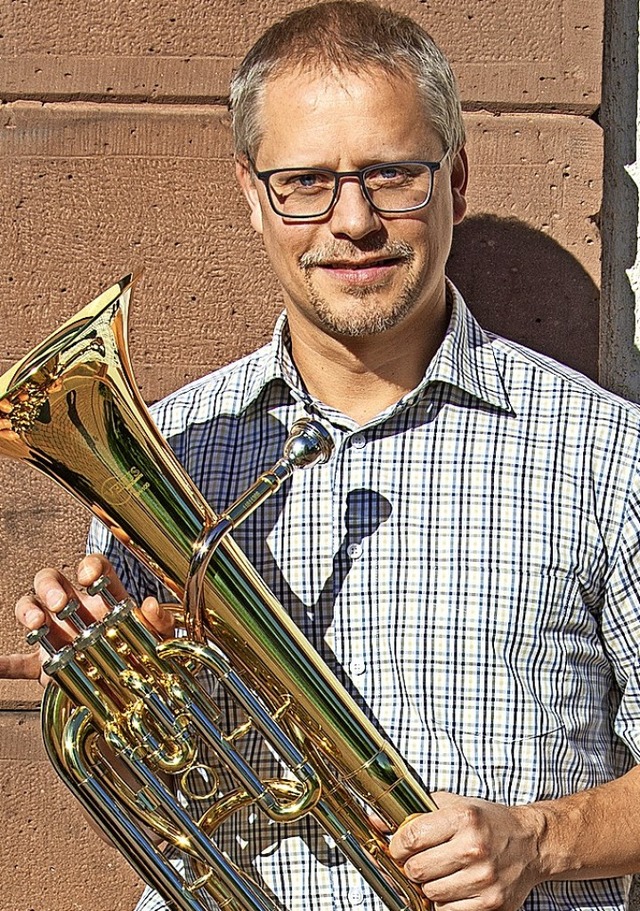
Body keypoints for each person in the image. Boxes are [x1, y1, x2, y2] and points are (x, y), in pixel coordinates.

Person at [7, 2, 640, 910]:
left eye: (393, 175)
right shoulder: (160, 452)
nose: (353, 221)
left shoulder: (609, 453)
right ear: (250, 192)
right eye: (304, 181)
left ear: (456, 179)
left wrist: (537, 839)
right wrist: (103, 679)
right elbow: (163, 787)